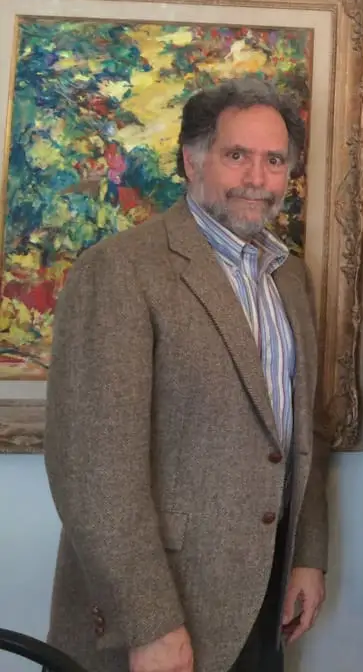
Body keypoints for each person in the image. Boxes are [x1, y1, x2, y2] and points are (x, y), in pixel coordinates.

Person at [44, 76, 330, 672]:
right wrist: (149, 621)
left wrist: (306, 555)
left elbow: (301, 433)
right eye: (237, 155)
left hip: (264, 599)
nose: (258, 177)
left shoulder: (289, 277)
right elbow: (93, 470)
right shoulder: (121, 270)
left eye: (275, 160)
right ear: (192, 160)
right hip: (159, 614)